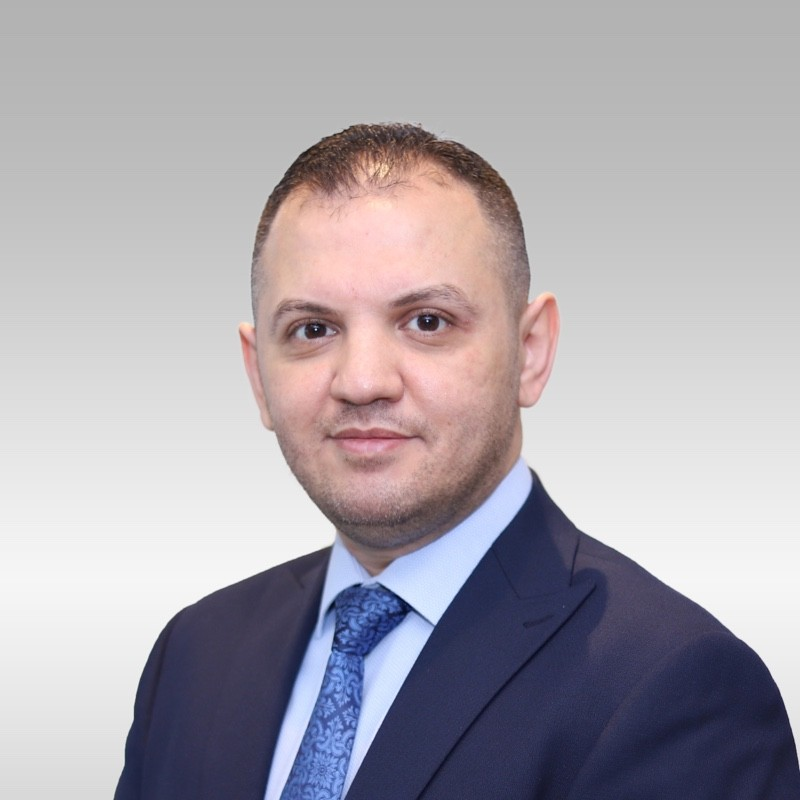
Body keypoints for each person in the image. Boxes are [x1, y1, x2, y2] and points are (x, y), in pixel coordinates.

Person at [115, 123, 800, 799]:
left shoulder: (674, 688)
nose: (363, 381)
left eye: (427, 322)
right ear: (258, 375)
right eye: (312, 329)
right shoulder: (194, 656)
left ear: (531, 352)